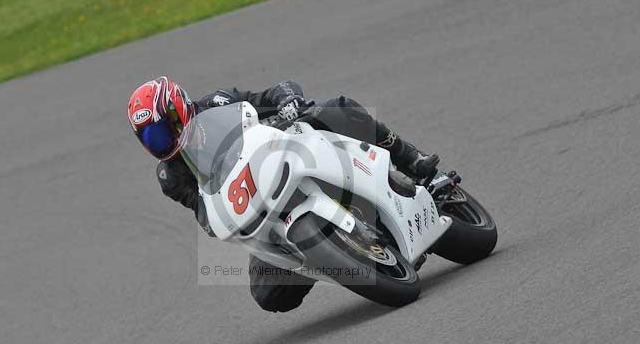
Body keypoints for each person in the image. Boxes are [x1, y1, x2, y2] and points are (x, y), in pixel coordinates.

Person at [127, 76, 439, 313]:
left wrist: (289, 101)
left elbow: (274, 92)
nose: (161, 142)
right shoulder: (170, 176)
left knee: (334, 108)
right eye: (151, 139)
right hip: (261, 208)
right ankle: (328, 256)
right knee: (269, 295)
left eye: (162, 131)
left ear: (176, 110)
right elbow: (204, 212)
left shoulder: (216, 103)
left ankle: (409, 156)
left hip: (288, 154)